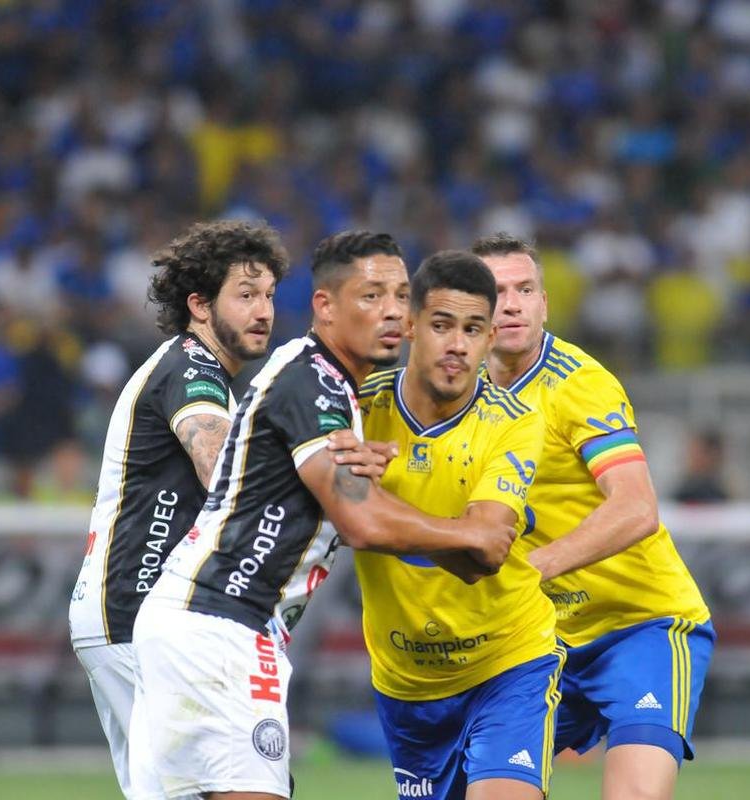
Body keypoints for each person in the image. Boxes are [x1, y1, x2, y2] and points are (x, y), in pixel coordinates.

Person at [129, 231, 517, 800]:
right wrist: (468, 536)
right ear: (325, 306)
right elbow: (361, 522)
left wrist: (458, 552)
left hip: (194, 625)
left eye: (400, 295)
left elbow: (362, 508)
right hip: (224, 625)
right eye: (370, 295)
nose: (391, 311)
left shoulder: (330, 388)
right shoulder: (312, 382)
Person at [474, 233, 714, 800]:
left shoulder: (579, 385)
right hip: (538, 644)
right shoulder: (462, 396)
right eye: (496, 292)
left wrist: (530, 572)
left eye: (525, 290)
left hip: (640, 626)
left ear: (544, 303)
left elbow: (636, 507)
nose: (511, 304)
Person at [67, 219, 289, 800]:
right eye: (245, 295)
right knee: (239, 782)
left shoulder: (196, 370)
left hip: (127, 616)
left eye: (268, 295)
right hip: (134, 612)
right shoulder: (192, 369)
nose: (263, 310)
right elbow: (217, 460)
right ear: (198, 304)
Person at [355, 250, 558, 800]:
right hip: (406, 681)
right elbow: (359, 525)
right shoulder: (361, 410)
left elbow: (485, 555)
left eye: (473, 329)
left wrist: (374, 509)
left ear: (491, 338)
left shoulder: (514, 422)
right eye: (442, 325)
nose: (456, 345)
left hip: (508, 661)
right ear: (411, 328)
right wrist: (372, 517)